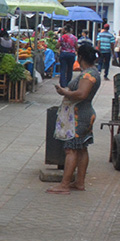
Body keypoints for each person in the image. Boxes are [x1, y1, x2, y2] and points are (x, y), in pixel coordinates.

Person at [49, 42, 102, 194]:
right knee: (82, 148)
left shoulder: (88, 75)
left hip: (79, 115)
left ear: (81, 57)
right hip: (85, 113)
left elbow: (81, 94)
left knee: (71, 149)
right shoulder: (93, 72)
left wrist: (64, 92)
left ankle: (64, 185)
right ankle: (79, 182)